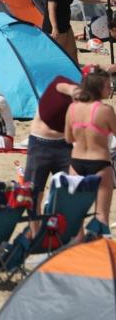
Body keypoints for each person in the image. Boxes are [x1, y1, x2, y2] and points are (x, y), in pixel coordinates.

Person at [65, 68, 116, 227]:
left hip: (76, 163)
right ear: (98, 88)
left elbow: (68, 138)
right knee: (102, 216)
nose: (111, 88)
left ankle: (79, 247)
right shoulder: (105, 110)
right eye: (108, 85)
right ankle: (99, 249)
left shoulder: (72, 108)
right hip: (99, 162)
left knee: (77, 216)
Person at [25, 76, 82, 216]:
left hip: (64, 145)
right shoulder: (60, 83)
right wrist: (81, 95)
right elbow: (67, 87)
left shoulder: (86, 105)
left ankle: (58, 229)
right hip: (40, 143)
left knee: (69, 192)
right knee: (33, 194)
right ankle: (35, 234)